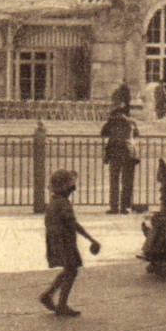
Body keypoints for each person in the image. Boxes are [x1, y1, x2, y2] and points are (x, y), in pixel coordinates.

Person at [40, 169, 100, 317]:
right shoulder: (63, 204)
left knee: (68, 270)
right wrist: (90, 239)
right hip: (65, 242)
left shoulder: (53, 202)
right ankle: (61, 304)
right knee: (71, 270)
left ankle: (49, 294)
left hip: (56, 241)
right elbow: (73, 224)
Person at [99, 103, 139, 214]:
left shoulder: (112, 121)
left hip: (115, 152)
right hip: (129, 152)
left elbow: (103, 133)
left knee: (114, 181)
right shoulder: (131, 122)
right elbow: (136, 135)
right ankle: (125, 207)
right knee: (127, 181)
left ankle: (114, 207)